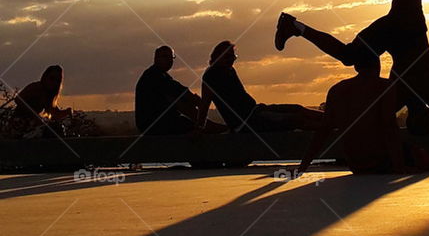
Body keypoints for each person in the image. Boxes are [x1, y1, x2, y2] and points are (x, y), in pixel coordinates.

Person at [274, 0, 429, 163]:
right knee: (349, 55)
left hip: (394, 27)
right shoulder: (426, 90)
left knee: (349, 56)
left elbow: (371, 119)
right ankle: (295, 26)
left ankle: (295, 26)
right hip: (405, 22)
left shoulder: (401, 95)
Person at [299, 49, 407, 174]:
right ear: (378, 65)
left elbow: (323, 131)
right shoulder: (385, 86)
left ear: (356, 67)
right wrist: (400, 167)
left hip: (355, 164)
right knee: (427, 158)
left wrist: (302, 168)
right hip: (381, 161)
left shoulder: (336, 90)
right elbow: (389, 126)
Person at [197, 41, 327, 134]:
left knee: (298, 108)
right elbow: (205, 104)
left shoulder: (229, 70)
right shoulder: (211, 76)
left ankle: (333, 118)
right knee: (296, 120)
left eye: (233, 56)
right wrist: (199, 128)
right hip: (248, 121)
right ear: (217, 56)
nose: (232, 59)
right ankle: (332, 126)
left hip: (256, 111)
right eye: (228, 57)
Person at [135, 46, 226, 136]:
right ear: (156, 58)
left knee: (181, 103)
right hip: (155, 124)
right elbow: (180, 91)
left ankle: (205, 124)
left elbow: (178, 90)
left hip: (158, 123)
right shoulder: (154, 76)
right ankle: (205, 125)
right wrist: (199, 102)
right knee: (182, 104)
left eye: (171, 57)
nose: (169, 60)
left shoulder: (160, 75)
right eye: (165, 57)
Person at [13, 65, 72, 135]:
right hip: (19, 124)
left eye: (57, 80)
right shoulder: (35, 87)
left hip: (32, 126)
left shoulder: (49, 95)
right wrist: (34, 115)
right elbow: (18, 99)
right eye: (51, 78)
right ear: (45, 77)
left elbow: (55, 113)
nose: (54, 82)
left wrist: (68, 112)